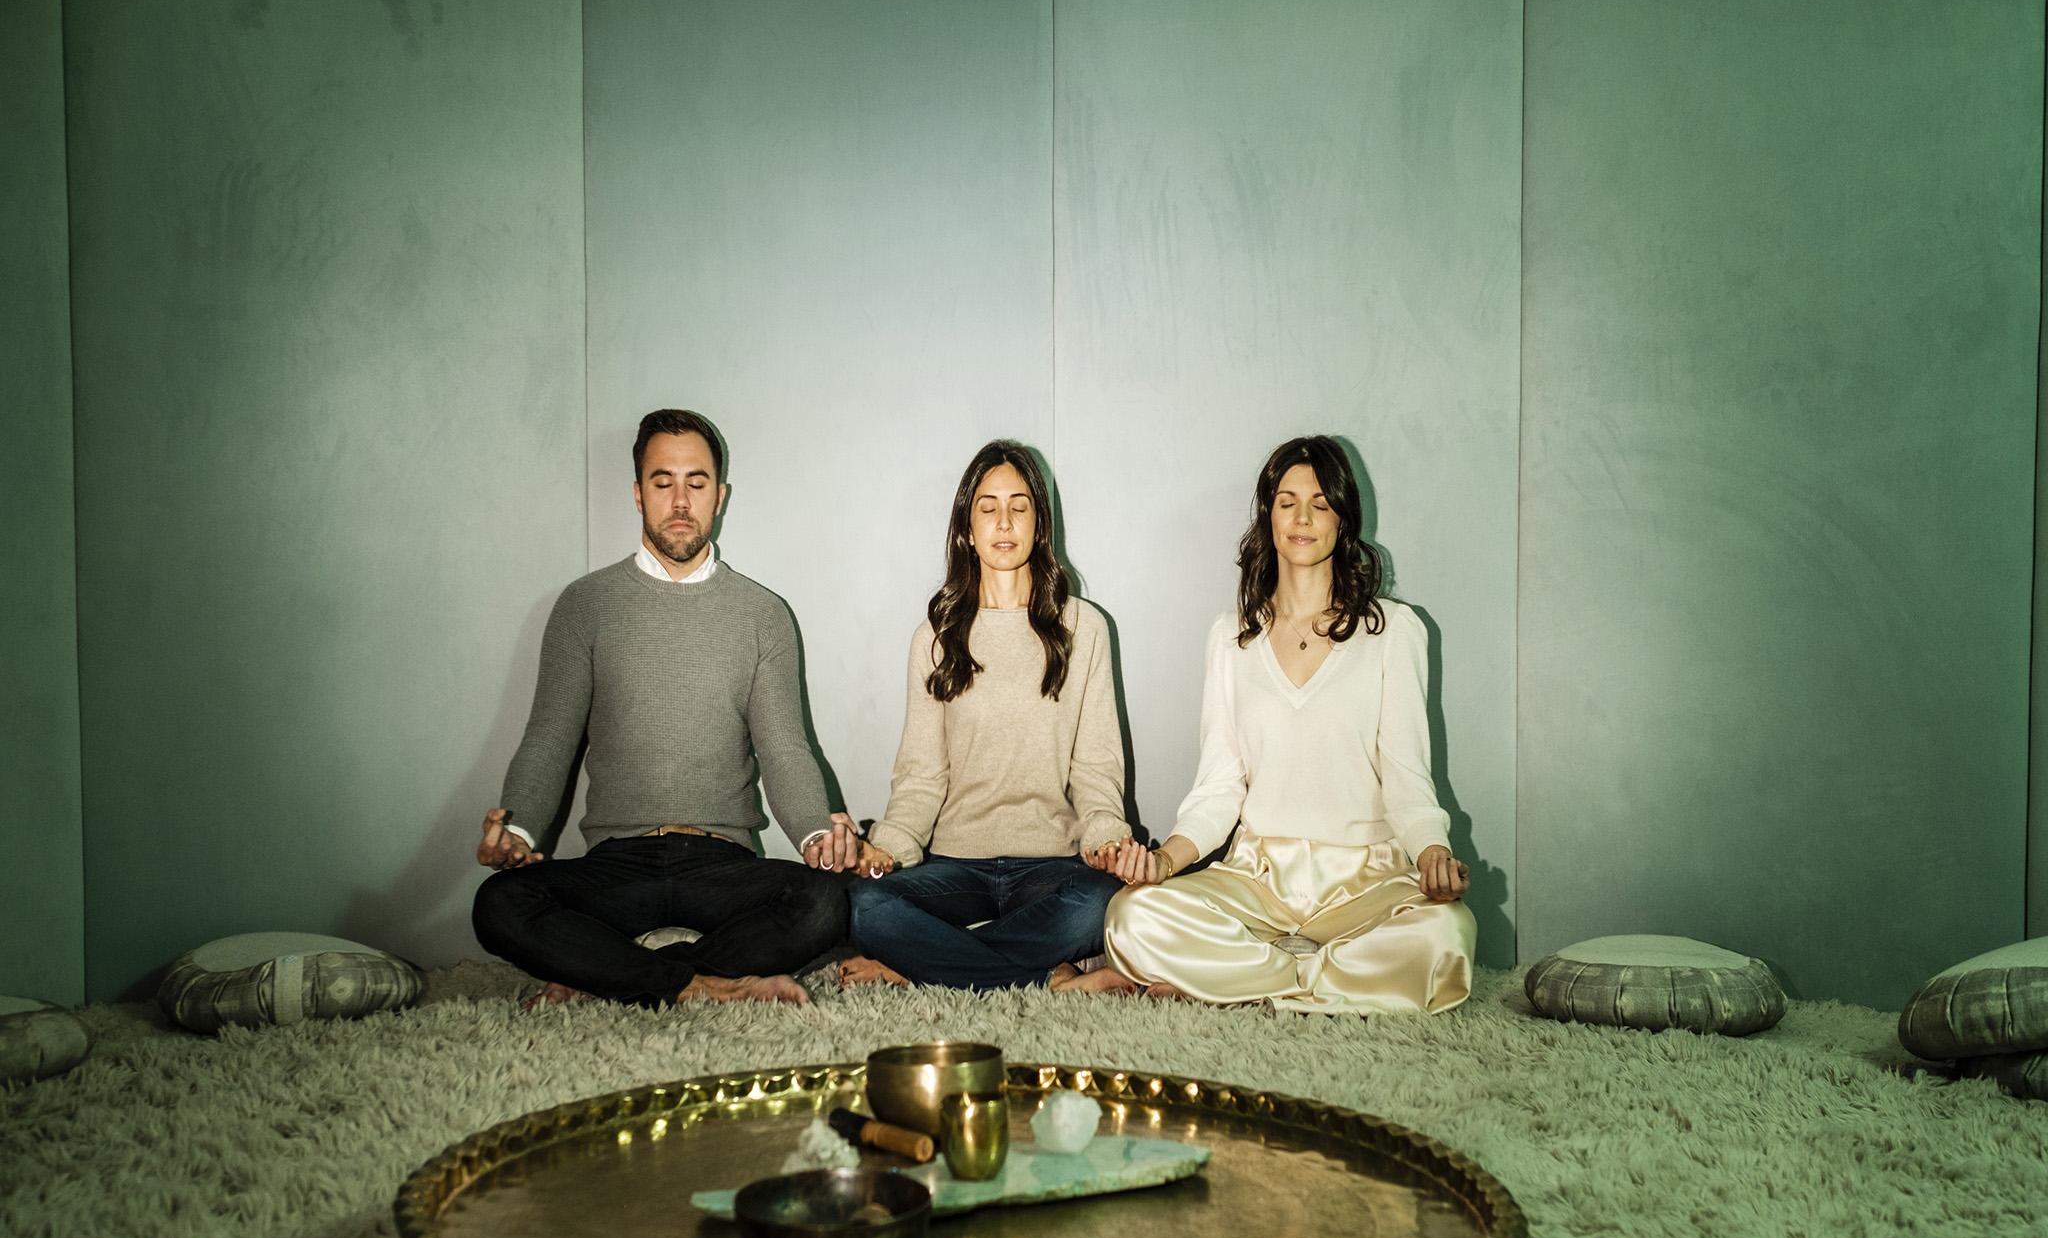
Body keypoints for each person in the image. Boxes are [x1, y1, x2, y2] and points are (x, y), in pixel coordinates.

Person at [470, 408, 867, 1008]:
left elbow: (784, 747)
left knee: (826, 902)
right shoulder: (585, 606)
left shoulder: (762, 614)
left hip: (723, 862)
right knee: (499, 904)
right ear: (637, 494)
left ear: (719, 495)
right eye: (663, 482)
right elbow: (550, 736)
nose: (680, 500)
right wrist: (518, 828)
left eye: (696, 483)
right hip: (616, 864)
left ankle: (613, 972)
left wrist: (816, 832)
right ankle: (705, 982)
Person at [1094, 435, 1475, 1012]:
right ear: (1267, 514)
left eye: (1320, 504)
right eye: (1286, 501)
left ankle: (1247, 978)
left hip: (1365, 881)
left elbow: (1406, 776)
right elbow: (1220, 785)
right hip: (1258, 879)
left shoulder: (1394, 632)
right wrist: (1164, 862)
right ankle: (1321, 978)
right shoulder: (1230, 635)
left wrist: (1431, 854)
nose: (1302, 518)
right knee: (1129, 916)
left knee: (1448, 933)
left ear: (1343, 519)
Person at [839, 441, 1137, 992]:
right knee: (865, 907)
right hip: (957, 864)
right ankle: (1047, 976)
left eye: (1020, 506)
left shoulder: (1083, 628)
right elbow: (922, 773)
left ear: (1039, 524)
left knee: (1100, 904)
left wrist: (1105, 835)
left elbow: (1096, 767)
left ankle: (919, 965)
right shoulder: (935, 636)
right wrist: (892, 842)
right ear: (966, 528)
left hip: (1052, 864)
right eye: (987, 506)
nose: (1004, 521)